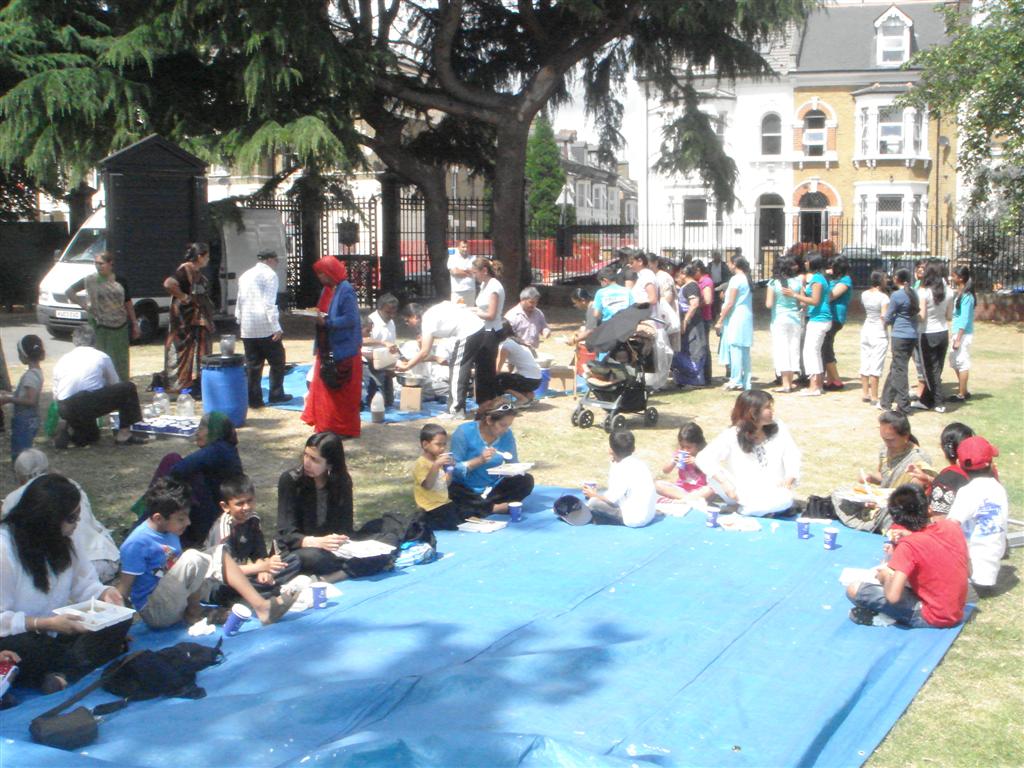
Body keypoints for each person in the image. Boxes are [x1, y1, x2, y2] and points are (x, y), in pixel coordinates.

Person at [0, 475, 128, 694]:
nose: (76, 525)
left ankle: (58, 672)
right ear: (47, 519)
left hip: (56, 630)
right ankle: (69, 669)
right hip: (19, 635)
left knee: (119, 616)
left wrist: (105, 593)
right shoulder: (4, 549)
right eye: (71, 519)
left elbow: (85, 585)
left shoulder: (66, 540)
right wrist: (44, 623)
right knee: (29, 649)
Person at [119, 477, 296, 628]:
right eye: (181, 519)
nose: (187, 522)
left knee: (217, 552)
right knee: (194, 557)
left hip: (177, 599)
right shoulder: (137, 543)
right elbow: (123, 590)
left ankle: (260, 607)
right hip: (156, 611)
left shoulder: (169, 530)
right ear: (158, 518)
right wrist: (121, 630)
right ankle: (198, 610)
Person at [845, 484, 968, 628]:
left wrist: (885, 576)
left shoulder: (909, 546)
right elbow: (967, 569)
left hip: (932, 616)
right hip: (956, 609)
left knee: (854, 589)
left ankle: (885, 617)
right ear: (929, 509)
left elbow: (893, 596)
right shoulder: (950, 526)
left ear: (898, 521)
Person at [2, 449, 121, 583]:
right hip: (104, 557)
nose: (77, 520)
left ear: (19, 475)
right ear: (48, 467)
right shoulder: (69, 485)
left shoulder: (14, 500)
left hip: (64, 569)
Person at [696, 390, 801, 516]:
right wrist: (725, 483)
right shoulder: (732, 435)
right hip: (746, 491)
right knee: (713, 477)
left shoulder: (779, 427)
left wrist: (789, 477)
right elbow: (703, 458)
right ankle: (755, 510)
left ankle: (749, 510)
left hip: (775, 490)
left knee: (784, 500)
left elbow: (792, 453)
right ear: (752, 412)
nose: (772, 411)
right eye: (767, 407)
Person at [204, 474, 300, 604]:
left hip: (248, 572)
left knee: (294, 560)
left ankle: (263, 590)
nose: (246, 507)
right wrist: (261, 567)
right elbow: (228, 572)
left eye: (250, 501)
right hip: (219, 581)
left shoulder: (253, 520)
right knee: (223, 589)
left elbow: (259, 554)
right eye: (239, 504)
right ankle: (265, 591)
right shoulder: (223, 529)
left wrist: (264, 571)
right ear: (225, 506)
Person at [834, 411, 934, 533]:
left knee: (891, 516)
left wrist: (885, 502)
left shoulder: (918, 459)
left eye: (891, 440)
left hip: (898, 507)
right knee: (840, 492)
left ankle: (877, 524)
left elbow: (913, 498)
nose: (887, 444)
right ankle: (873, 522)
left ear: (906, 436)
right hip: (879, 502)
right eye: (884, 439)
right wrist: (870, 478)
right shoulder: (884, 450)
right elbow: (884, 477)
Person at [156, 411, 244, 549]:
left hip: (215, 516)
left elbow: (178, 470)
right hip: (217, 510)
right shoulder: (226, 448)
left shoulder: (217, 450)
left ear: (214, 430)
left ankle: (153, 518)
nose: (197, 432)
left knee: (172, 461)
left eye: (202, 428)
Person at [276, 432, 354, 580]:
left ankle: (340, 571)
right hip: (300, 548)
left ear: (330, 464)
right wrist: (318, 542)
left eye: (314, 460)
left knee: (383, 538)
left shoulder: (342, 482)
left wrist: (338, 541)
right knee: (314, 557)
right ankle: (344, 571)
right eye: (305, 455)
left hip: (332, 548)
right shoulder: (291, 481)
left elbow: (346, 526)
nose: (307, 462)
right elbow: (287, 533)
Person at [52, 325, 146, 448]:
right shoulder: (101, 356)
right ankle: (124, 434)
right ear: (94, 340)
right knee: (127, 388)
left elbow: (56, 394)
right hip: (87, 403)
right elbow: (115, 384)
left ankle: (70, 432)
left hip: (65, 407)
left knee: (92, 437)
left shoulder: (62, 359)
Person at [302, 257, 362, 438]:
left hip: (344, 349)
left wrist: (328, 322)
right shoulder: (327, 290)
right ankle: (327, 424)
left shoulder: (346, 291)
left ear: (330, 272)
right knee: (326, 389)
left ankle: (343, 428)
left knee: (341, 392)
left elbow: (351, 319)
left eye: (322, 273)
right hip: (327, 346)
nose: (320, 277)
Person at [398, 301, 485, 419]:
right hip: (479, 327)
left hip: (468, 331)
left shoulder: (427, 320)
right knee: (461, 369)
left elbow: (424, 352)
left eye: (407, 320)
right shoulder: (433, 310)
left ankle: (456, 411)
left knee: (457, 369)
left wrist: (407, 366)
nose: (408, 324)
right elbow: (448, 303)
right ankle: (462, 407)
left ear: (414, 316)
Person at [448, 398, 535, 516]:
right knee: (453, 491)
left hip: (492, 488)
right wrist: (479, 461)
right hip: (467, 488)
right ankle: (492, 508)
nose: (505, 430)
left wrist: (516, 470)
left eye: (508, 426)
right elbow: (452, 470)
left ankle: (480, 507)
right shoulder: (464, 432)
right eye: (503, 425)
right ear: (489, 420)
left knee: (526, 480)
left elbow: (513, 462)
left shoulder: (507, 435)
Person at [69, 251, 139, 383]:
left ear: (110, 264)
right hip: (99, 326)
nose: (98, 266)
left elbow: (128, 303)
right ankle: (99, 384)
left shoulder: (120, 281)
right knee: (100, 357)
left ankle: (120, 385)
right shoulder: (90, 280)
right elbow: (69, 291)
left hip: (120, 326)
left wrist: (135, 324)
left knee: (120, 358)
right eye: (96, 263)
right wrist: (83, 305)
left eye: (101, 263)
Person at [948, 436, 1008, 592]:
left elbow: (950, 528)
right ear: (991, 464)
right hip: (990, 571)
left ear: (960, 465)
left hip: (971, 574)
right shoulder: (998, 489)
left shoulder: (968, 492)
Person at [235, 250, 288, 409]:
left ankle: (254, 399)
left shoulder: (245, 275)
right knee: (278, 361)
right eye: (276, 260)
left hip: (248, 326)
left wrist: (239, 319)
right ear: (270, 260)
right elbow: (269, 304)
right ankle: (276, 393)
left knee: (253, 364)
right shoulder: (270, 275)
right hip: (264, 325)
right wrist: (276, 327)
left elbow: (239, 300)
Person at [164, 242, 215, 394]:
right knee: (184, 350)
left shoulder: (196, 271)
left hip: (196, 319)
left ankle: (196, 382)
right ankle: (182, 384)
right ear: (199, 256)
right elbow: (169, 284)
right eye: (206, 256)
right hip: (185, 319)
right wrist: (184, 297)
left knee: (200, 349)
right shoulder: (186, 269)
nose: (208, 259)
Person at [580, 430, 657, 527]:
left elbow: (610, 499)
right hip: (650, 515)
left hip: (634, 519)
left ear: (610, 450)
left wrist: (593, 495)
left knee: (593, 503)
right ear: (634, 449)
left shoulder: (621, 470)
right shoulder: (641, 464)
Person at [783, 252, 831, 397]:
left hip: (819, 319)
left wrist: (795, 295)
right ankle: (817, 385)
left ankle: (814, 387)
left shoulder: (817, 279)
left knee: (811, 352)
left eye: (807, 261)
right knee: (814, 352)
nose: (805, 263)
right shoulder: (820, 278)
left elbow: (815, 301)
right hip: (819, 317)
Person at [412, 423, 473, 530]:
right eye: (438, 444)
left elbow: (446, 484)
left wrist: (449, 469)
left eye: (444, 444)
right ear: (425, 444)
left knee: (468, 514)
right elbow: (428, 485)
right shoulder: (421, 464)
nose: (442, 448)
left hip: (444, 503)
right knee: (454, 525)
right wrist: (436, 466)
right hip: (430, 508)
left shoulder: (438, 461)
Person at [879, 268, 920, 415]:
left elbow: (889, 317)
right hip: (912, 334)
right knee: (896, 367)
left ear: (897, 278)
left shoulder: (897, 295)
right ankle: (885, 400)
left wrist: (885, 320)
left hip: (900, 335)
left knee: (900, 370)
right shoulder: (913, 293)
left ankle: (903, 405)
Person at [913, 262, 952, 413]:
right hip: (943, 332)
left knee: (929, 370)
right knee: (937, 368)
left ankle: (938, 401)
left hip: (927, 334)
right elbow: (949, 316)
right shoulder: (949, 292)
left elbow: (922, 316)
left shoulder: (924, 293)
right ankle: (926, 400)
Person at [0, 335, 44, 461]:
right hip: (29, 420)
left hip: (25, 421)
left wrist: (9, 399)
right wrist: (9, 394)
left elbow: (31, 400)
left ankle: (23, 473)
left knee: (20, 453)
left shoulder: (31, 376)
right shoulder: (37, 372)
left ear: (23, 355)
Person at [918, 422, 974, 518]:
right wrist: (929, 479)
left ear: (944, 448)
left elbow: (938, 520)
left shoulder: (947, 480)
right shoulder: (985, 471)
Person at [714, 256, 754, 391]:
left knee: (736, 349)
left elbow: (730, 302)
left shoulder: (736, 279)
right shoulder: (746, 278)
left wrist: (720, 320)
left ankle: (736, 380)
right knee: (744, 350)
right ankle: (746, 380)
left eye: (730, 263)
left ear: (735, 264)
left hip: (737, 316)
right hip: (746, 315)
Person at [765, 257, 804, 393]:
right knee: (793, 350)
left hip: (779, 319)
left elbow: (769, 304)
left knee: (781, 350)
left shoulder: (773, 283)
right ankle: (791, 381)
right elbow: (803, 303)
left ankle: (785, 383)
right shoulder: (798, 281)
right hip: (795, 319)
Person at [470, 257, 505, 404]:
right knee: (481, 367)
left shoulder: (494, 287)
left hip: (491, 332)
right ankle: (484, 401)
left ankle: (487, 401)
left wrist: (474, 313)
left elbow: (491, 315)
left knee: (486, 369)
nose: (474, 276)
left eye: (475, 272)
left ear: (484, 271)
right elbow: (481, 307)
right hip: (483, 330)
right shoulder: (485, 285)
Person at [655, 422, 712, 503]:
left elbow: (712, 472)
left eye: (689, 447)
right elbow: (665, 471)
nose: (685, 450)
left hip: (699, 490)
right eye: (682, 446)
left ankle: (683, 500)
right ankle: (687, 499)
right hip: (681, 490)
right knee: (658, 485)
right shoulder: (679, 453)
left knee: (711, 489)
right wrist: (673, 462)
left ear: (698, 445)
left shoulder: (704, 454)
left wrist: (696, 463)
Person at [671, 263, 707, 387]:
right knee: (685, 349)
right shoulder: (686, 286)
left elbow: (694, 304)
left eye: (680, 274)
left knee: (694, 349)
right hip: (687, 322)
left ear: (684, 274)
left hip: (693, 323)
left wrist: (685, 321)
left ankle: (696, 380)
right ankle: (685, 378)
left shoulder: (691, 286)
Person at [362, 293, 400, 410]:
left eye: (394, 312)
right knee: (378, 400)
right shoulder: (370, 322)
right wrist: (382, 343)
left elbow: (391, 344)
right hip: (369, 360)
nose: (391, 315)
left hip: (384, 362)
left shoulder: (391, 322)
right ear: (380, 309)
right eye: (388, 312)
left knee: (389, 401)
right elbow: (362, 340)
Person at [859, 270, 890, 406]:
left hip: (866, 329)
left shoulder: (864, 294)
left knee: (865, 360)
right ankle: (874, 396)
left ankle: (865, 392)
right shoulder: (884, 298)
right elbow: (884, 316)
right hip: (878, 331)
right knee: (876, 364)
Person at [822, 256, 853, 391]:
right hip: (828, 315)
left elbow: (831, 296)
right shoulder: (833, 279)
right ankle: (830, 379)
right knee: (826, 346)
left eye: (832, 266)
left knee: (826, 346)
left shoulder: (845, 280)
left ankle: (836, 379)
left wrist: (824, 280)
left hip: (836, 317)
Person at [496, 323, 543, 405]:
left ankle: (521, 399)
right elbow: (510, 367)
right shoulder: (517, 342)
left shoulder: (505, 345)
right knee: (508, 377)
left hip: (528, 380)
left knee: (499, 380)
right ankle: (529, 395)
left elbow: (497, 369)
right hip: (537, 380)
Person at [948, 265, 975, 402]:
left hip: (963, 334)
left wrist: (958, 338)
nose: (952, 278)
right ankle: (963, 390)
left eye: (954, 275)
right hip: (957, 332)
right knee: (954, 361)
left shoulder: (967, 296)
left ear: (961, 278)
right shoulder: (960, 293)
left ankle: (962, 393)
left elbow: (964, 319)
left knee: (962, 362)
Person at [694, 260, 716, 383]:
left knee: (704, 347)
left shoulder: (706, 281)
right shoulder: (700, 281)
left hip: (704, 317)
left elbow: (708, 300)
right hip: (701, 317)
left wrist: (695, 305)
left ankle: (706, 376)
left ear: (698, 270)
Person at [447, 240, 476, 305]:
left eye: (467, 247)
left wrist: (460, 270)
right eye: (463, 247)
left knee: (470, 312)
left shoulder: (473, 258)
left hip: (471, 291)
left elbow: (474, 272)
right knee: (458, 313)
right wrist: (468, 272)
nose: (465, 249)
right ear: (458, 247)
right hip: (458, 292)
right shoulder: (453, 258)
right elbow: (455, 272)